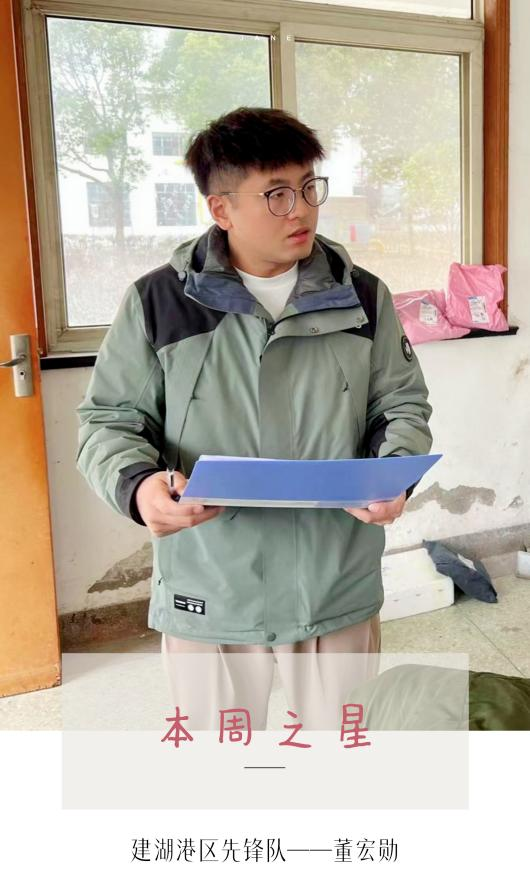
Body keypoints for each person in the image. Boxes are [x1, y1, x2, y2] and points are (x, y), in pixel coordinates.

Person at [76, 107, 432, 729]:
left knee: (342, 755)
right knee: (220, 761)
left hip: (333, 580)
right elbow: (109, 421)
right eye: (276, 194)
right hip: (211, 582)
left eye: (308, 187)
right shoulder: (160, 302)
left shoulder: (362, 296)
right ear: (221, 209)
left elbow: (400, 404)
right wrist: (138, 487)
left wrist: (394, 472)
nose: (301, 210)